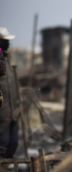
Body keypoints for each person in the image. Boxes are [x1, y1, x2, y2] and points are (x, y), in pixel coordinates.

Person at [0, 28, 19, 158]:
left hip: (13, 111)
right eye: (5, 41)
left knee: (13, 143)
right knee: (3, 143)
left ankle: (4, 171)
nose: (8, 44)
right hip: (2, 113)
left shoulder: (6, 59)